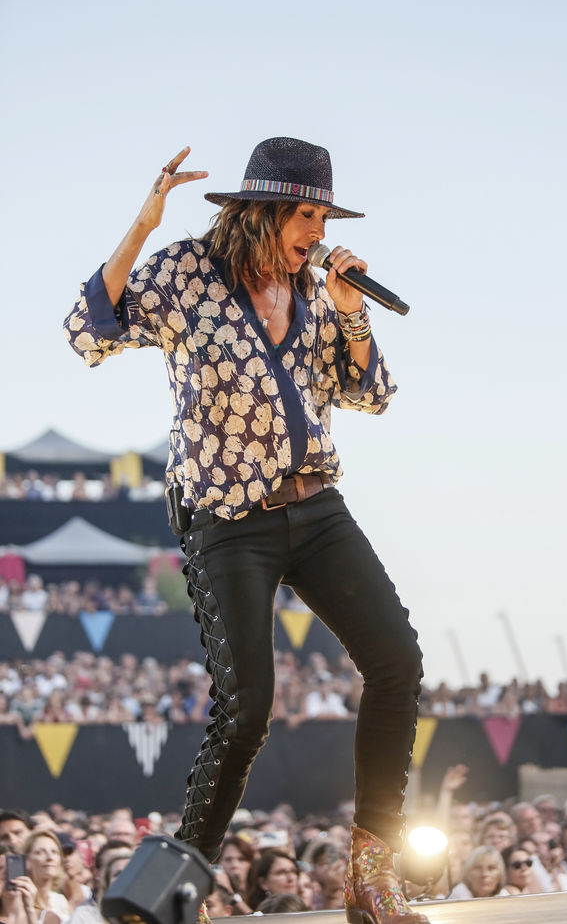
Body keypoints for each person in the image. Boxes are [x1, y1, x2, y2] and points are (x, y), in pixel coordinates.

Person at [64, 136, 425, 924]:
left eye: (323, 218)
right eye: (305, 216)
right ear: (261, 212)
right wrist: (143, 224)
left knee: (396, 661)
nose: (316, 231)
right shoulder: (188, 273)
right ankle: (170, 892)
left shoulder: (317, 291)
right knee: (247, 708)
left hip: (315, 507)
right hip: (227, 518)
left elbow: (370, 393)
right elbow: (89, 330)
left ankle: (371, 875)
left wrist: (351, 312)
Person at [23, 832, 70, 923]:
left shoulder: (60, 900)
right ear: (27, 860)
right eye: (40, 852)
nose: (50, 857)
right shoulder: (20, 902)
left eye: (54, 852)